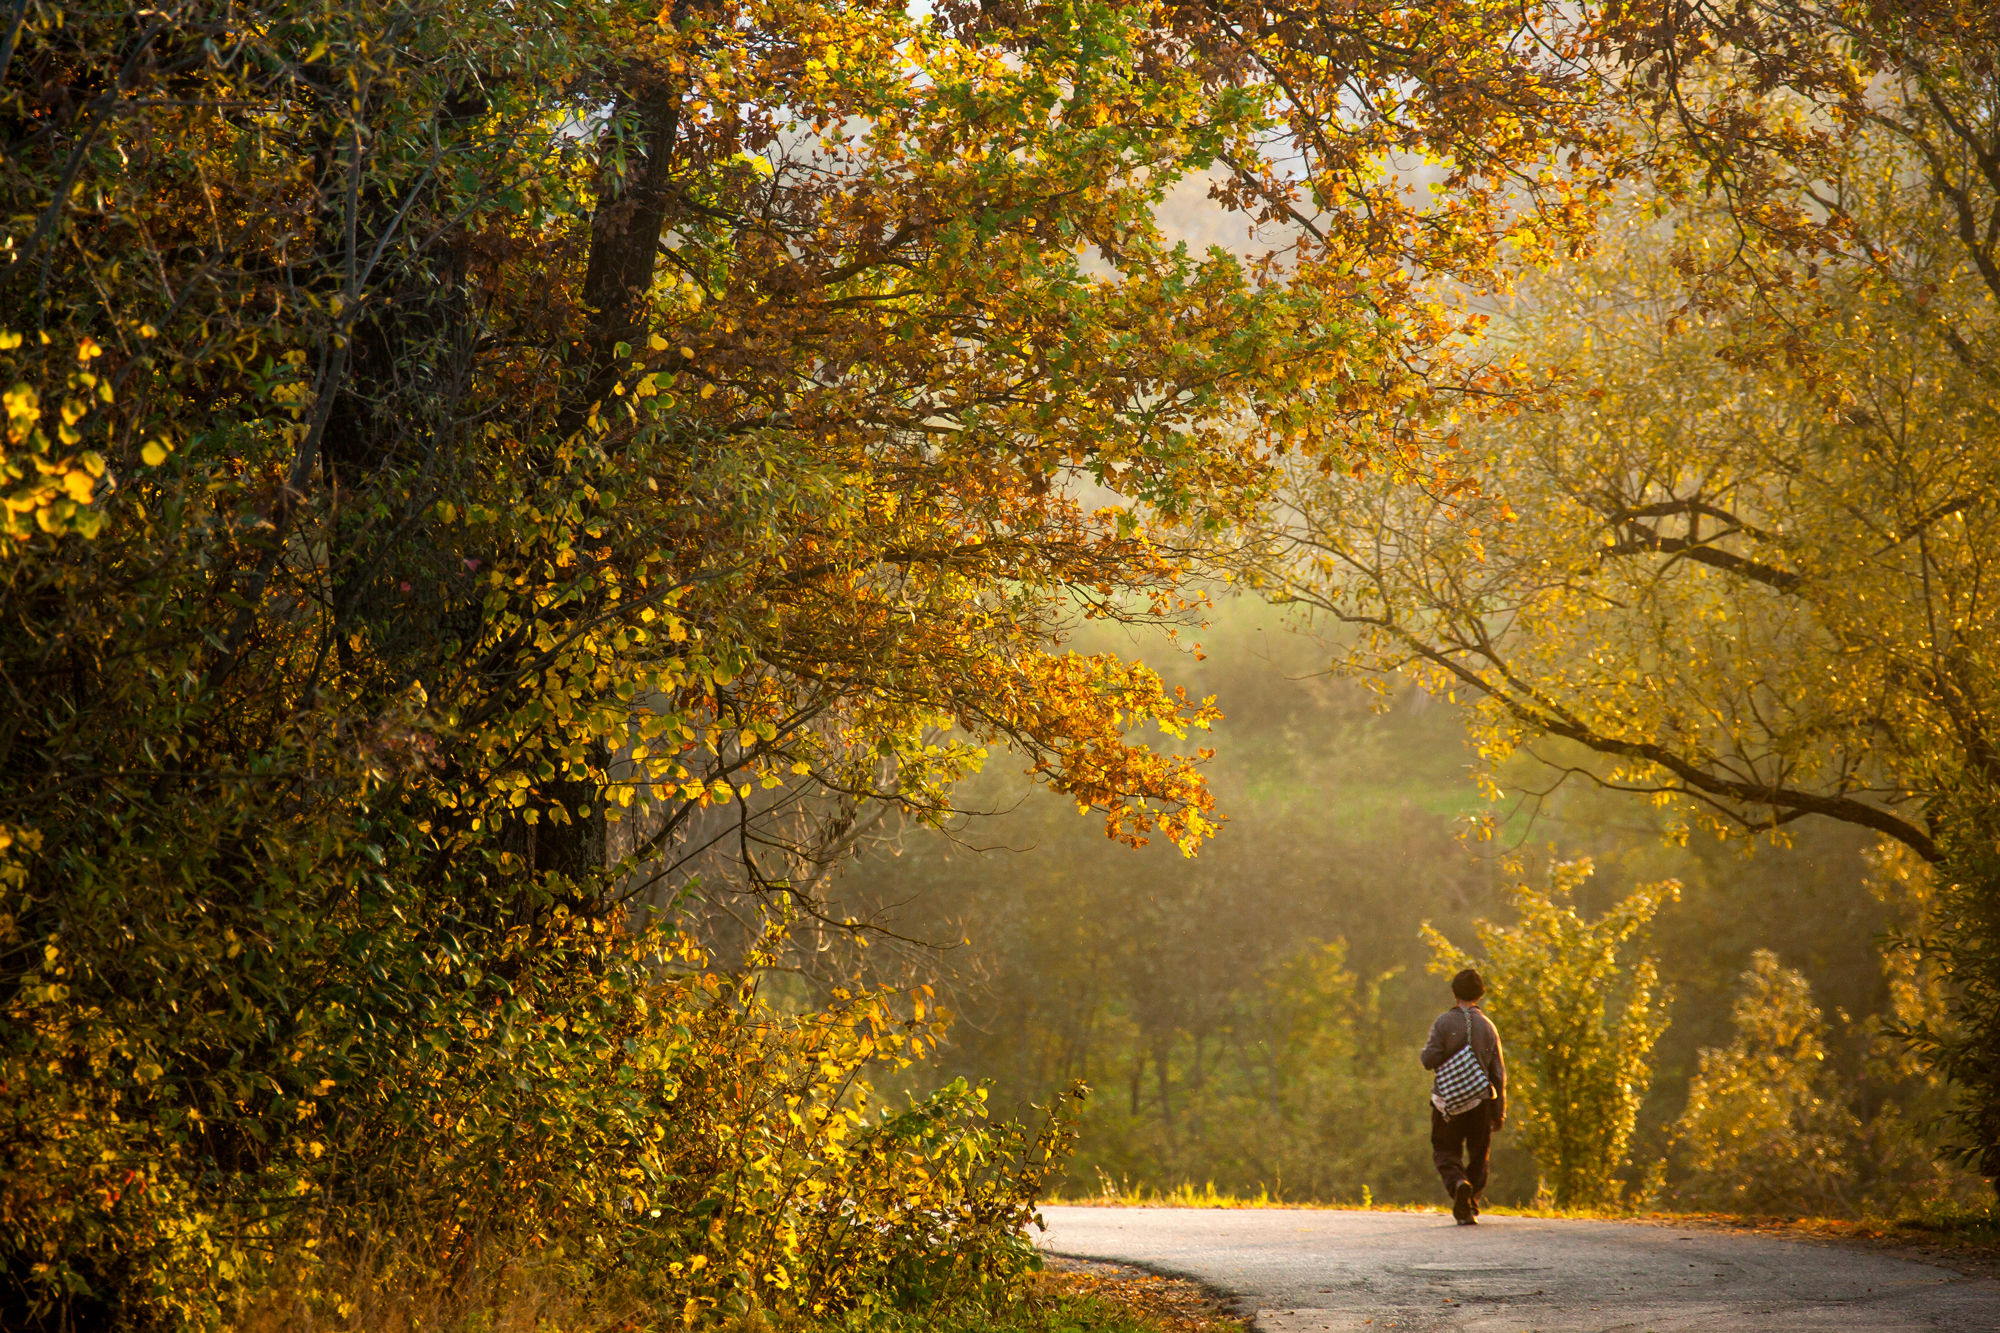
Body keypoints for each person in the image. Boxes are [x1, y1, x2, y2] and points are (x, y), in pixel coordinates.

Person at [1420, 968, 1505, 1225]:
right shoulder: (1488, 1027)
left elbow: (1428, 1060)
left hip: (1447, 1100)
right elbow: (1498, 1074)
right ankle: (1471, 1202)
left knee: (1445, 1150)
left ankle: (1458, 1184)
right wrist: (1498, 1110)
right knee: (1479, 1155)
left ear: (1454, 993)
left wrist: (1447, 1055)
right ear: (1480, 995)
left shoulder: (1443, 1022)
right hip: (1480, 1102)